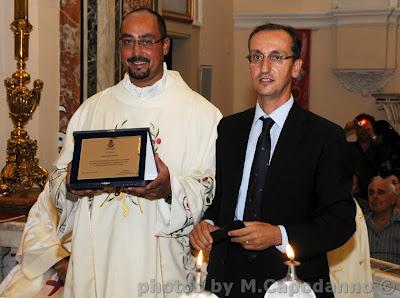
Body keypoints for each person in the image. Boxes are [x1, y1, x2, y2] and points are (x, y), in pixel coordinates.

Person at [0, 8, 222, 298]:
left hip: (159, 266)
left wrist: (170, 189)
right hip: (96, 260)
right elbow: (55, 182)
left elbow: (211, 191)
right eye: (128, 42)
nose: (136, 51)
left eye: (146, 41)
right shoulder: (92, 110)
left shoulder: (203, 116)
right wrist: (69, 185)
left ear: (165, 46)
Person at [190, 23, 355, 298]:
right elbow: (221, 202)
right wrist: (206, 224)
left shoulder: (324, 136)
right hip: (228, 280)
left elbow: (341, 221)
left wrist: (279, 234)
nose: (264, 67)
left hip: (292, 281)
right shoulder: (229, 129)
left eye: (276, 57)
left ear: (296, 67)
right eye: (256, 56)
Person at [345, 114, 391, 200]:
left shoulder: (379, 149)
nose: (363, 130)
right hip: (353, 197)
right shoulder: (349, 148)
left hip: (375, 196)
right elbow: (332, 147)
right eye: (360, 126)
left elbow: (387, 168)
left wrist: (373, 135)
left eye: (366, 127)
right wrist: (345, 130)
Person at [366, 176, 400, 264]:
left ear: (393, 199)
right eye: (371, 192)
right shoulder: (359, 224)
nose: (375, 196)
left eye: (380, 192)